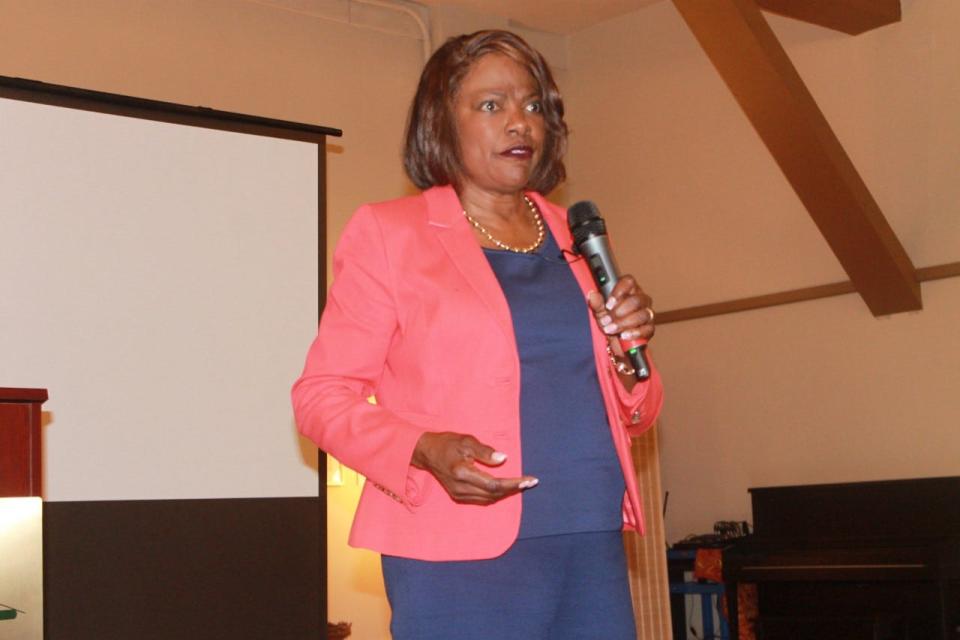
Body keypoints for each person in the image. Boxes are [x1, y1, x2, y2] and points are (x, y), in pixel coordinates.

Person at [292, 29, 663, 640]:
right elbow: (320, 396)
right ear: (442, 121)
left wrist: (628, 361)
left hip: (587, 530)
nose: (520, 122)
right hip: (457, 548)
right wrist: (423, 448)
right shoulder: (391, 235)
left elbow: (634, 408)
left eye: (533, 105)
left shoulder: (578, 235)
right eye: (492, 105)